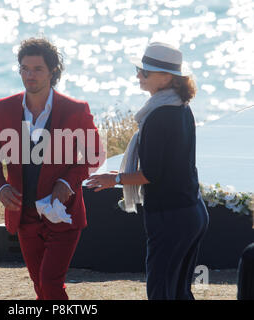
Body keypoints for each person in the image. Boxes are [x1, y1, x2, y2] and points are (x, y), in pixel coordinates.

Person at [0, 37, 104, 300]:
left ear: (53, 71)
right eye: (24, 68)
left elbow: (94, 154)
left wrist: (68, 182)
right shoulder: (4, 108)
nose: (29, 75)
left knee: (50, 284)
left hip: (62, 214)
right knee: (40, 285)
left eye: (37, 69)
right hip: (22, 214)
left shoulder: (75, 110)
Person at [86, 42, 209, 300]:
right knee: (178, 290)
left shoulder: (159, 115)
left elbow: (151, 173)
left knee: (161, 290)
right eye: (139, 69)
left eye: (145, 72)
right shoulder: (181, 107)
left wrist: (115, 179)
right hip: (192, 210)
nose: (138, 76)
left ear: (167, 78)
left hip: (171, 216)